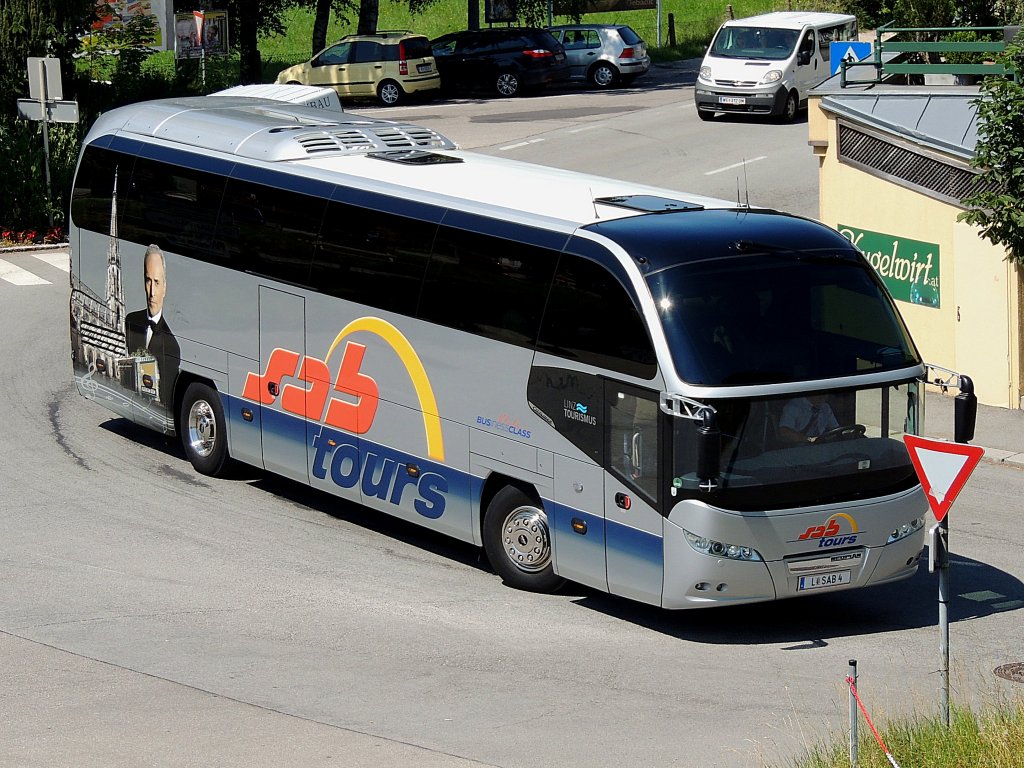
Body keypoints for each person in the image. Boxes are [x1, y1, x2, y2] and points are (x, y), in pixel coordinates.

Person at [125, 244, 179, 406]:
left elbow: (165, 398)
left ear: (165, 287)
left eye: (156, 282)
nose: (152, 292)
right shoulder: (131, 321)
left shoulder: (172, 345)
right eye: (148, 281)